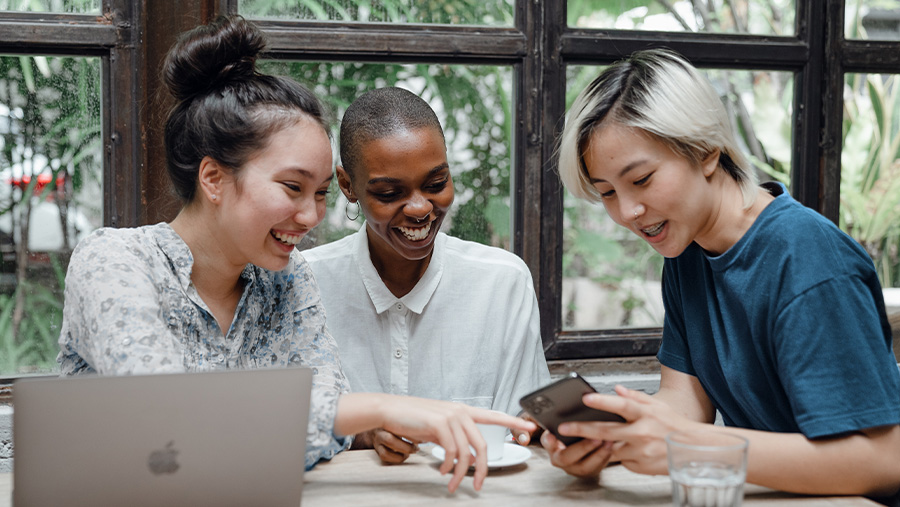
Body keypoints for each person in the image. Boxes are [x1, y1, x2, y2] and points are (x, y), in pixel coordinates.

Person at [56, 15, 534, 494]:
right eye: (292, 187)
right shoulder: (114, 261)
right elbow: (166, 423)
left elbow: (326, 429)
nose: (311, 217)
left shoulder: (287, 278)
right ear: (214, 178)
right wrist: (382, 409)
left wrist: (328, 422)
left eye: (322, 193)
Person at [548, 48, 900, 504]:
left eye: (642, 179)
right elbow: (685, 400)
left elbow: (885, 460)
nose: (628, 212)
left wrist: (686, 445)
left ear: (707, 151)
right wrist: (612, 437)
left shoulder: (809, 259)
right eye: (607, 193)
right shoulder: (687, 251)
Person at [301, 86, 551, 464]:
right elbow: (276, 427)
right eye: (388, 192)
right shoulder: (305, 284)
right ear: (347, 185)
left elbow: (523, 429)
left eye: (436, 185)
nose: (420, 208)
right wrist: (363, 431)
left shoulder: (502, 283)